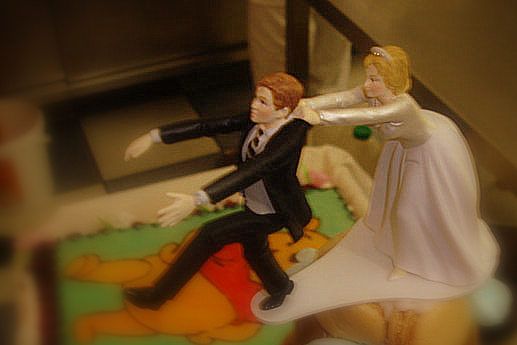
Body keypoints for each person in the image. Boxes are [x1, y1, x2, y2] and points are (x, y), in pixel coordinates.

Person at [296, 46, 496, 287]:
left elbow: (364, 117)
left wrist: (320, 118)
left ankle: (410, 263)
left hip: (427, 154)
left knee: (408, 211)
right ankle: (402, 251)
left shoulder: (403, 106)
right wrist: (306, 103)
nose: (367, 84)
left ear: (390, 81)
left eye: (373, 79)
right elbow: (344, 98)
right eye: (368, 77)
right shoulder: (374, 92)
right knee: (391, 202)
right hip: (402, 149)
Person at [124, 72, 311, 310]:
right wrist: (155, 136)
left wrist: (197, 199)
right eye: (255, 98)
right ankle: (281, 287)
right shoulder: (256, 120)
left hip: (275, 211)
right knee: (255, 251)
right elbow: (209, 125)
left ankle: (157, 297)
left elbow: (254, 170)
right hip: (254, 203)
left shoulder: (290, 138)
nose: (253, 105)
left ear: (283, 111)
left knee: (210, 235)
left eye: (263, 102)